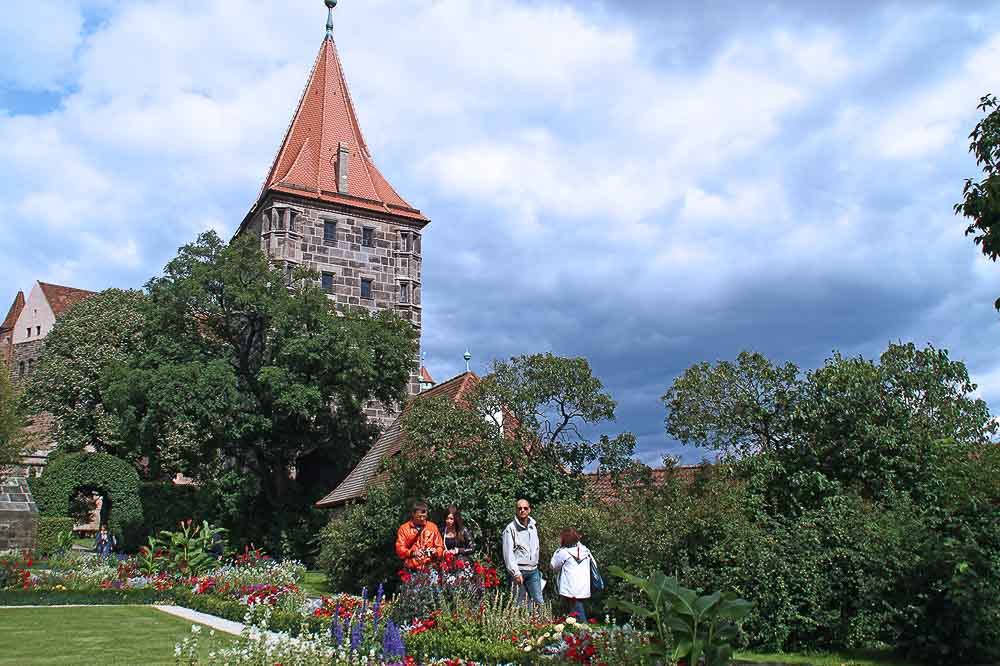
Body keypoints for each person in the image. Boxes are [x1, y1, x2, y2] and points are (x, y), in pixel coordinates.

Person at [502, 498, 542, 606]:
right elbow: (508, 553)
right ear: (516, 510)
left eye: (525, 508)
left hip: (533, 570)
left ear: (529, 510)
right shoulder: (510, 529)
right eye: (520, 508)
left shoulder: (533, 526)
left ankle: (541, 623)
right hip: (519, 571)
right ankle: (521, 623)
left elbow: (536, 547)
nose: (522, 510)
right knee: (519, 604)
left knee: (539, 601)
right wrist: (515, 572)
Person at [550, 527, 594, 622]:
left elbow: (553, 566)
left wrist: (557, 551)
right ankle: (576, 633)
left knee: (577, 613)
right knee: (576, 610)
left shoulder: (563, 553)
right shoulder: (585, 550)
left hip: (570, 587)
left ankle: (587, 633)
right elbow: (594, 565)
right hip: (583, 586)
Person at [395, 500, 444, 569]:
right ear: (413, 514)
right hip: (412, 568)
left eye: (424, 516)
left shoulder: (432, 527)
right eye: (419, 516)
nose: (422, 519)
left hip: (430, 567)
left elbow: (440, 547)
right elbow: (399, 549)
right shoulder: (404, 529)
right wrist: (412, 553)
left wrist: (436, 551)